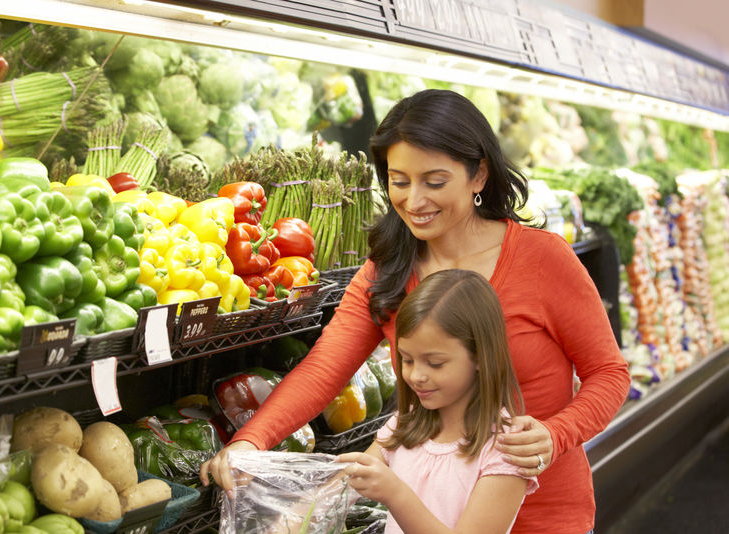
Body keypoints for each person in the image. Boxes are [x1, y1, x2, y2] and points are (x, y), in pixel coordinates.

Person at [201, 89, 630, 534]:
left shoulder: (543, 259)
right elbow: (326, 367)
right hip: (428, 514)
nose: (414, 200)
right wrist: (252, 439)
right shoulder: (388, 269)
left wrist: (555, 434)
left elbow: (609, 373)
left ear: (478, 175)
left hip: (543, 513)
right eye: (399, 180)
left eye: (435, 181)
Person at [338, 268, 538, 533]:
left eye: (434, 363)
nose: (416, 375)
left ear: (480, 356)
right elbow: (346, 481)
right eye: (407, 360)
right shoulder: (405, 424)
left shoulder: (506, 451)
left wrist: (395, 494)